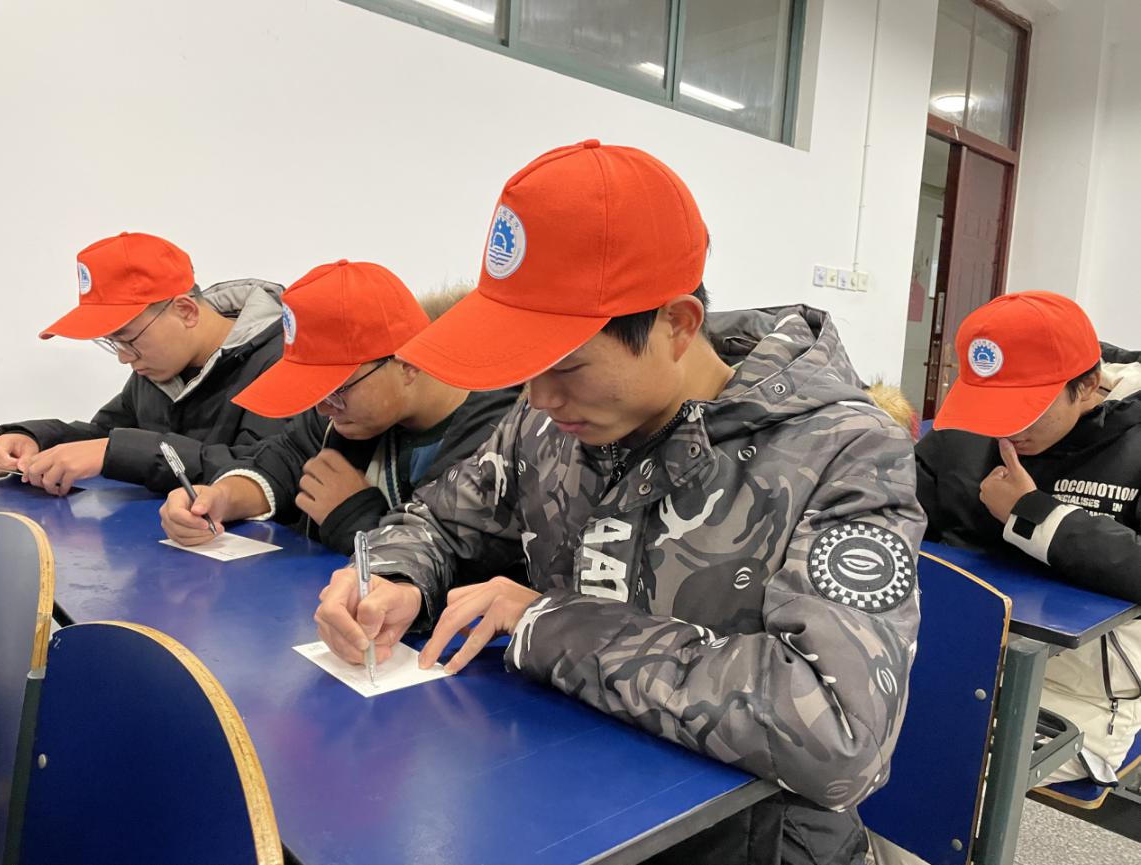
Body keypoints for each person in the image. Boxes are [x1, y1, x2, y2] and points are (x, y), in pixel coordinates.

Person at [314, 140, 925, 865]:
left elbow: (839, 732)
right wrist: (389, 575)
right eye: (525, 366)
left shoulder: (846, 451)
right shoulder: (549, 424)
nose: (539, 397)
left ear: (678, 325)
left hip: (748, 842)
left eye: (567, 366)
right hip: (558, 800)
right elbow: (442, 518)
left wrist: (546, 623)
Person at [916, 291, 1141, 789]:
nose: (1005, 427)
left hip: (1075, 693)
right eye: (989, 405)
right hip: (951, 657)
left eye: (1026, 408)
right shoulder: (964, 431)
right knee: (836, 746)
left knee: (936, 776)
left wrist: (1032, 514)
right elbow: (894, 518)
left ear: (1087, 385)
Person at [158, 260, 521, 555]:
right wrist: (220, 498)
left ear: (407, 362)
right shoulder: (350, 415)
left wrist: (352, 515)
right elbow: (286, 459)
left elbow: (460, 560)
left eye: (336, 390)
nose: (323, 408)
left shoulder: (500, 437)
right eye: (315, 393)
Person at [0, 232, 290, 494]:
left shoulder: (283, 362)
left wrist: (115, 451)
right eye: (112, 342)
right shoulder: (157, 368)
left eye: (128, 339)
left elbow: (262, 473)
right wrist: (34, 439)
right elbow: (105, 435)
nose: (123, 357)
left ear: (185, 311)